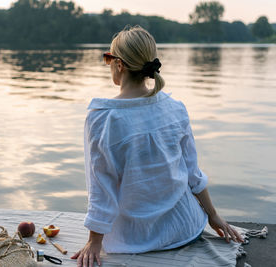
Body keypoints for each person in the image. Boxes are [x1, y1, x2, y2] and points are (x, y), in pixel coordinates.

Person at [70, 25, 244, 267]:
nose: (107, 64)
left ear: (119, 65)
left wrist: (94, 242)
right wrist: (212, 216)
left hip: (135, 239)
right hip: (185, 227)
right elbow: (192, 173)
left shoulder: (104, 118)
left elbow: (102, 187)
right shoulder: (176, 107)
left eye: (108, 58)